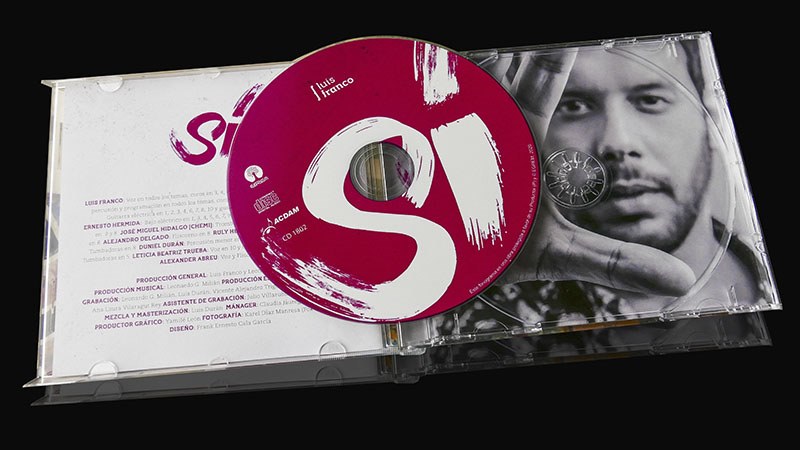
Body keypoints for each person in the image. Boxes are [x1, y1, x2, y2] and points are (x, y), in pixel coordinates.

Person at [436, 38, 771, 334]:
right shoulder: (473, 315)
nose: (618, 143)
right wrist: (466, 261)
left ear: (711, 120)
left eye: (650, 100)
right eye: (573, 106)